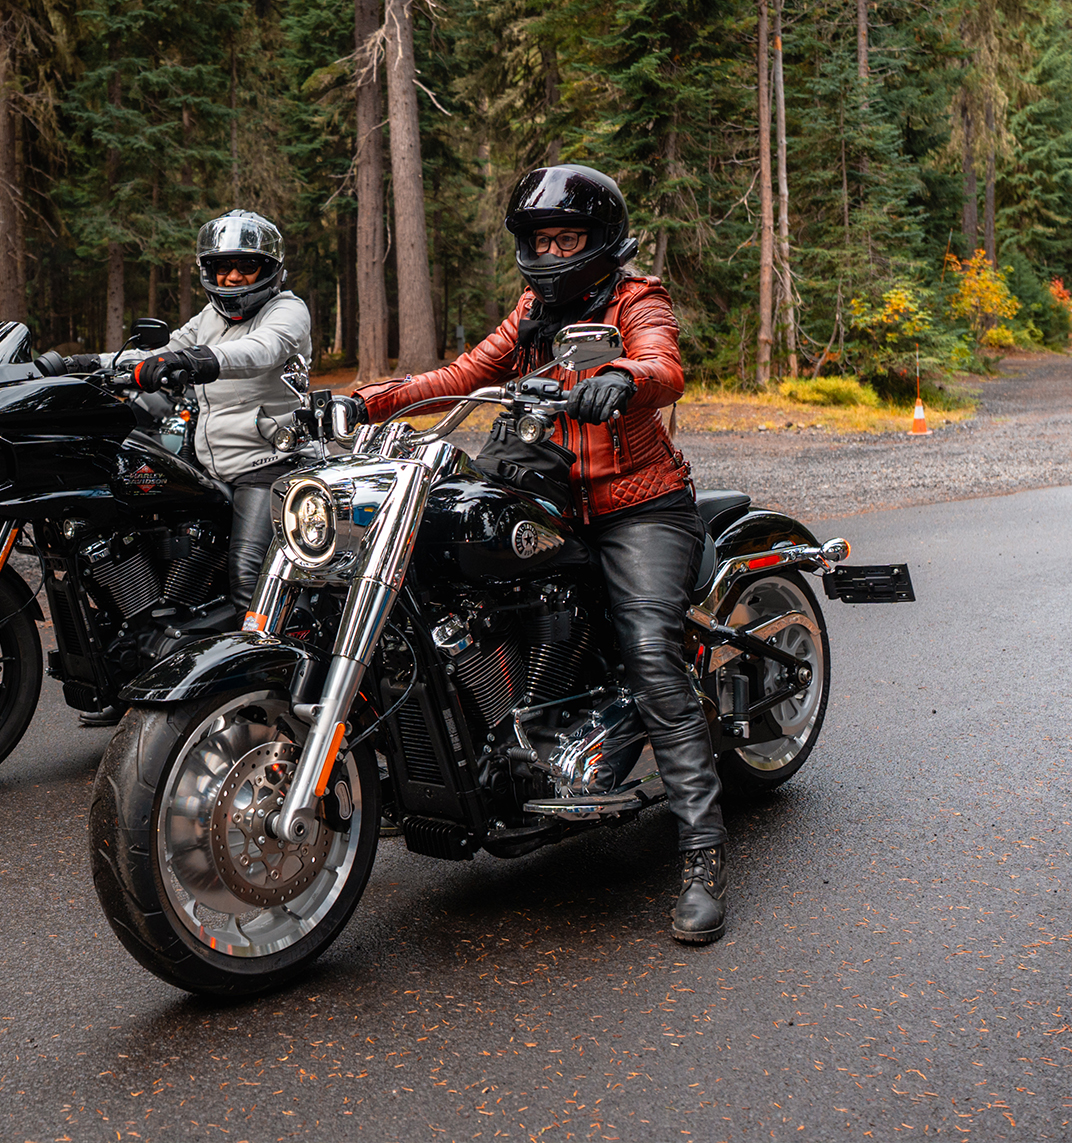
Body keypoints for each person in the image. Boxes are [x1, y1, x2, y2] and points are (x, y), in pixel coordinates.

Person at [352, 164, 728, 945]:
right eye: (541, 238)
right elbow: (461, 375)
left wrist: (622, 375)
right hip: (550, 499)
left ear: (602, 242)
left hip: (637, 506)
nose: (553, 252)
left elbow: (665, 363)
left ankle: (700, 852)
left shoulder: (635, 299)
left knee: (654, 652)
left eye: (569, 238)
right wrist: (366, 400)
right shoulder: (530, 311)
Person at [125, 209, 314, 614]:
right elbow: (159, 352)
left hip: (269, 465)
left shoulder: (287, 310)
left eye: (246, 266)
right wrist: (79, 364)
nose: (232, 278)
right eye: (221, 267)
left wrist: (194, 361)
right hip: (213, 468)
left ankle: (273, 665)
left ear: (269, 268)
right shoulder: (209, 318)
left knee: (248, 576)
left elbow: (263, 348)